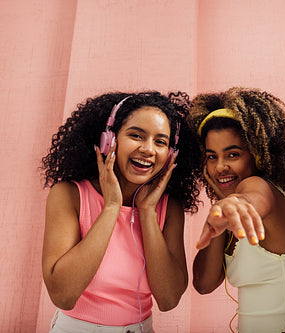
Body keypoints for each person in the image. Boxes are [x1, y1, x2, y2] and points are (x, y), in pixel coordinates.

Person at [41, 91, 201, 332]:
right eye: (136, 135)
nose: (148, 149)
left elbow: (168, 300)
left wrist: (147, 211)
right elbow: (63, 295)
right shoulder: (69, 195)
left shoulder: (168, 208)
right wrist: (112, 207)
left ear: (171, 154)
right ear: (109, 139)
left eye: (160, 141)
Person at [189, 87, 285, 333]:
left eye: (233, 154)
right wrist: (223, 205)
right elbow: (204, 284)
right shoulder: (227, 215)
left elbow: (253, 198)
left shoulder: (260, 189)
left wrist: (235, 203)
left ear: (257, 156)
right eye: (212, 156)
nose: (220, 166)